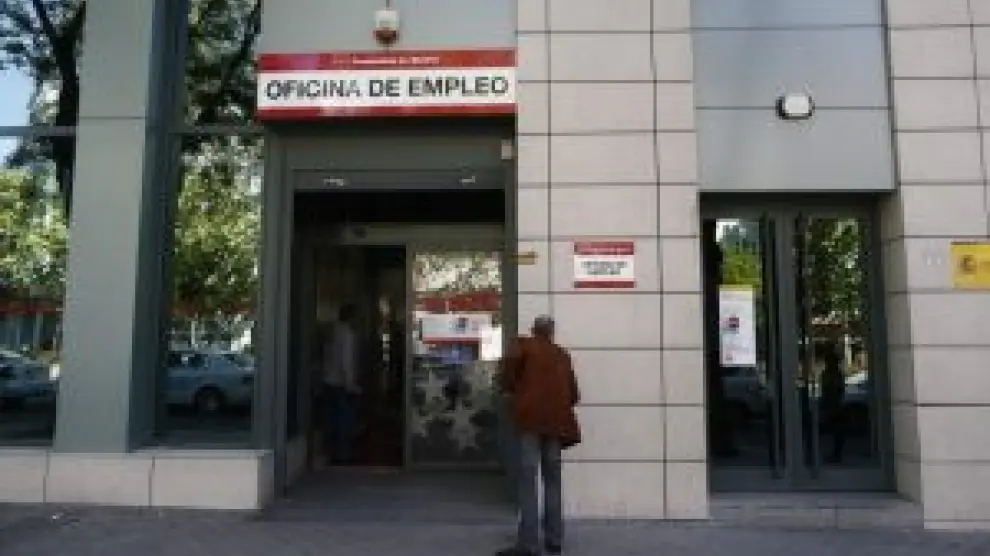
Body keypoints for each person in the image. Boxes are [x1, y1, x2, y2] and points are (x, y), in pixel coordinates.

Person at [497, 315, 581, 556]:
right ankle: (554, 539)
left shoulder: (523, 346)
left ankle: (528, 543)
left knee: (528, 479)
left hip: (530, 422)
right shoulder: (562, 355)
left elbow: (507, 374)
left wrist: (513, 392)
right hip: (556, 424)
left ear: (534, 330)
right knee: (553, 481)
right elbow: (574, 394)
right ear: (552, 333)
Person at [323, 304, 360, 465]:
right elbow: (347, 361)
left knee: (332, 418)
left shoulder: (332, 332)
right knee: (344, 419)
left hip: (328, 380)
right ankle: (343, 454)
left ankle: (332, 452)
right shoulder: (347, 334)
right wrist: (350, 383)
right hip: (341, 383)